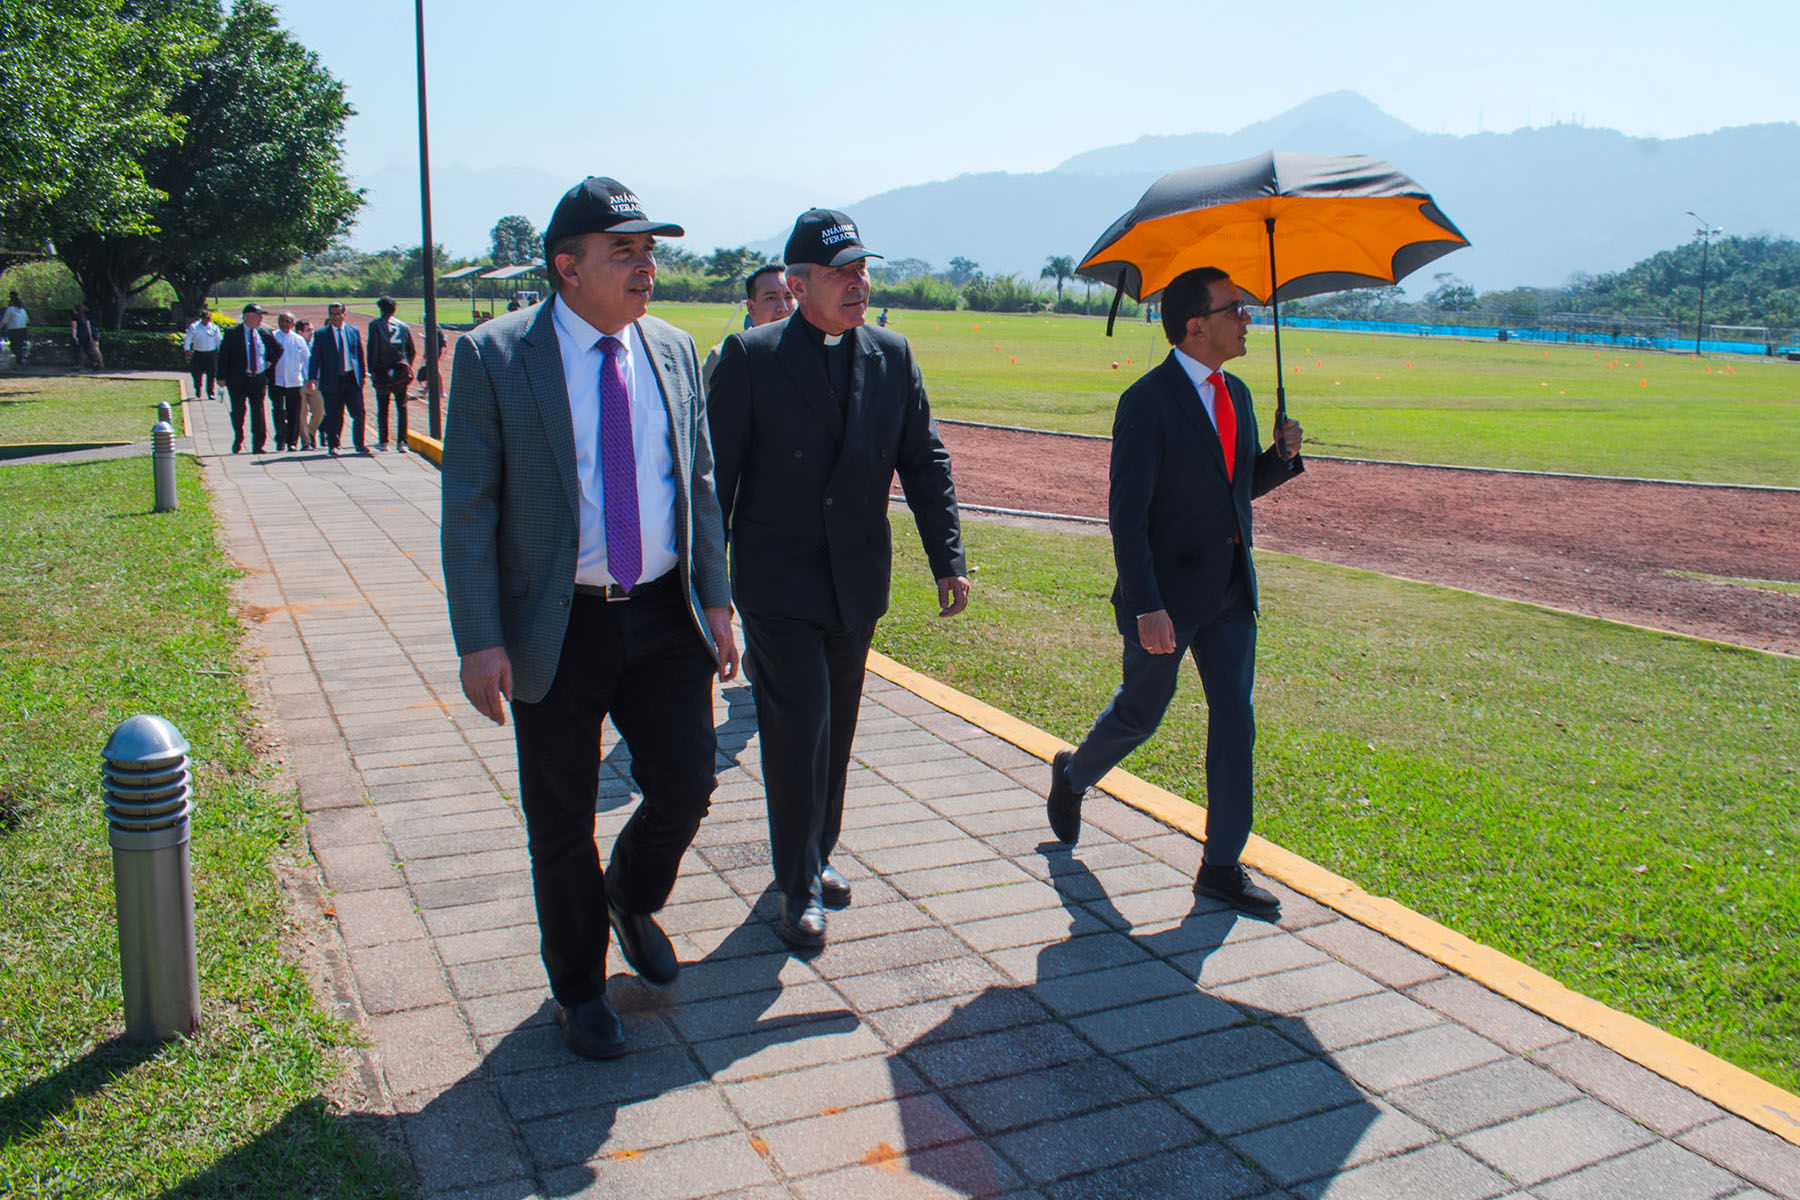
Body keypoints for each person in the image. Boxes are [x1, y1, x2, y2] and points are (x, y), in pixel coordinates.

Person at [442, 175, 739, 1061]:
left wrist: (718, 600)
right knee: (561, 819)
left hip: (662, 613)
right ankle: (579, 989)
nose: (647, 267)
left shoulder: (677, 350)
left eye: (651, 252)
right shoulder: (498, 357)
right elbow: (470, 510)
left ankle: (632, 891)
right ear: (567, 267)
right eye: (626, 253)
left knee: (687, 782)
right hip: (555, 625)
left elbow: (701, 486)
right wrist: (480, 639)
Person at [709, 208, 969, 950]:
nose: (858, 283)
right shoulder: (752, 357)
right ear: (796, 285)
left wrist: (946, 557)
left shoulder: (891, 354)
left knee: (839, 729)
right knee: (798, 730)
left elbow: (925, 462)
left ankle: (817, 853)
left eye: (862, 269)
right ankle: (796, 889)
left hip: (855, 582)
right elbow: (715, 479)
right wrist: (710, 589)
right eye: (839, 272)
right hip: (778, 585)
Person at [1046, 267, 1303, 918]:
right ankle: (1073, 775)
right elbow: (1126, 514)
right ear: (1196, 325)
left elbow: (1232, 491)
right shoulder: (1148, 400)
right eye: (1235, 310)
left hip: (1229, 593)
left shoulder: (1238, 394)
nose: (1247, 321)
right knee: (1141, 715)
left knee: (1235, 724)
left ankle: (1221, 865)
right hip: (1165, 597)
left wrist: (1280, 459)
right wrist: (1146, 605)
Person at [702, 263, 795, 389]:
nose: (783, 308)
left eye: (789, 297)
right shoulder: (723, 355)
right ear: (751, 307)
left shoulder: (813, 353)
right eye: (771, 298)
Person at [217, 302, 281, 454]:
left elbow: (278, 349)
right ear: (247, 317)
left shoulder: (264, 332)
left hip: (257, 379)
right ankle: (238, 437)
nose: (260, 318)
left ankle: (258, 444)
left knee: (258, 412)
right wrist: (221, 377)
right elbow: (224, 355)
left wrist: (269, 363)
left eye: (261, 316)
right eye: (257, 315)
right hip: (238, 379)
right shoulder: (233, 333)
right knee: (238, 411)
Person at [308, 301, 367, 456]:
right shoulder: (321, 334)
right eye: (333, 314)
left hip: (351, 379)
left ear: (344, 314)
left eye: (338, 313)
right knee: (334, 414)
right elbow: (315, 358)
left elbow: (359, 355)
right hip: (332, 380)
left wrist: (361, 376)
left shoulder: (353, 331)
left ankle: (360, 444)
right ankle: (334, 444)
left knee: (359, 413)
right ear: (329, 316)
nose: (336, 317)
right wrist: (312, 378)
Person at [366, 296, 417, 452]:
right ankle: (402, 442)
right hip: (400, 370)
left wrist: (372, 370)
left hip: (382, 370)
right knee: (402, 406)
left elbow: (372, 348)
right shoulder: (403, 326)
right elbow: (411, 350)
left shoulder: (375, 325)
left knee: (383, 406)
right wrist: (406, 367)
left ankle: (384, 441)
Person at [269, 311, 310, 451]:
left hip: (294, 381)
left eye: (288, 321)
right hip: (276, 380)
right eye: (282, 321)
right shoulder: (272, 337)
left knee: (294, 412)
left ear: (293, 323)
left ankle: (292, 441)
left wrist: (309, 379)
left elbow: (306, 361)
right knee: (278, 411)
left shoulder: (298, 340)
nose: (285, 324)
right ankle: (280, 438)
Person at [296, 319, 325, 450]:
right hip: (300, 382)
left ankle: (311, 432)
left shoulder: (316, 343)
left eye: (312, 329)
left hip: (315, 382)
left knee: (319, 411)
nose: (311, 333)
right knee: (302, 413)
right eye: (308, 330)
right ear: (300, 332)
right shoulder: (297, 343)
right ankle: (306, 442)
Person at [182, 309, 222, 400]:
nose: (207, 320)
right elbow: (188, 338)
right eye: (205, 318)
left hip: (211, 354)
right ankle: (198, 388)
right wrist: (187, 348)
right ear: (201, 318)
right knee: (196, 373)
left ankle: (210, 392)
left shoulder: (214, 327)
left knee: (211, 374)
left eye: (209, 318)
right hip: (198, 354)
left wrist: (221, 351)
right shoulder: (194, 327)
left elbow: (218, 340)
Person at [70, 303, 103, 369]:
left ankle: (96, 363)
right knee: (89, 349)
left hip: (83, 335)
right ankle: (98, 363)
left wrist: (74, 336)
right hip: (88, 334)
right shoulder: (85, 316)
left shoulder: (75, 317)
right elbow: (88, 326)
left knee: (85, 350)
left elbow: (74, 327)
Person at [2, 292, 29, 368]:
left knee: (14, 347)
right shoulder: (23, 310)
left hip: (14, 330)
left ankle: (21, 359)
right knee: (19, 346)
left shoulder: (10, 309)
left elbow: (4, 321)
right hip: (23, 330)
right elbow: (27, 320)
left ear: (11, 302)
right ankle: (19, 363)